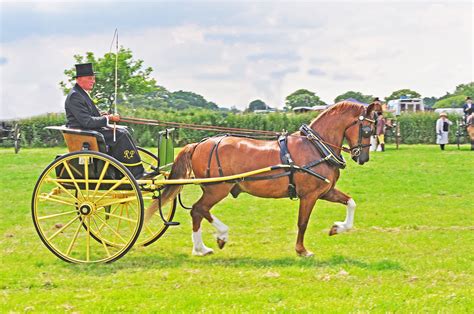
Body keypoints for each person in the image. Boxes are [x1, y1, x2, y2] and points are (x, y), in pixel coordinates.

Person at [65, 63, 149, 179]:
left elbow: (89, 115)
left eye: (93, 78)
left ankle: (128, 170)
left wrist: (102, 115)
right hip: (86, 135)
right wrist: (108, 118)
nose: (93, 81)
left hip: (90, 132)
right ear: (79, 79)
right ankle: (136, 173)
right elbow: (87, 121)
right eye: (90, 78)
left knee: (125, 130)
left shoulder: (81, 94)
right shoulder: (75, 96)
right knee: (120, 134)